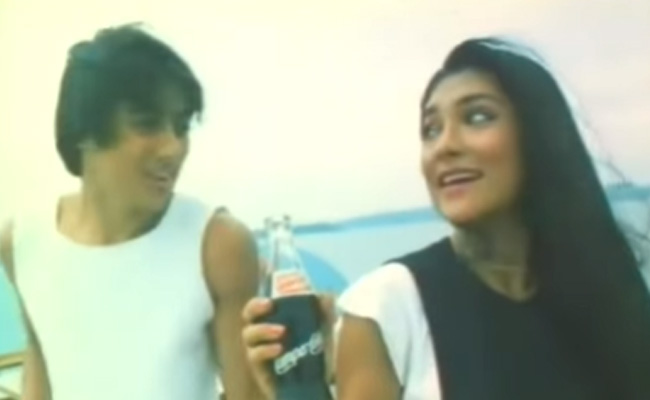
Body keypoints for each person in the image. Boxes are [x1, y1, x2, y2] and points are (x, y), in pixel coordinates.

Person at [241, 37, 650, 400]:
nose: (445, 146)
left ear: (538, 135)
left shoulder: (605, 290)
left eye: (477, 117)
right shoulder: (388, 307)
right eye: (431, 129)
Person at [0, 24, 262, 400]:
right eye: (147, 123)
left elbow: (248, 394)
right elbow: (42, 361)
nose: (173, 148)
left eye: (181, 126)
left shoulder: (218, 245)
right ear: (85, 131)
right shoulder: (23, 240)